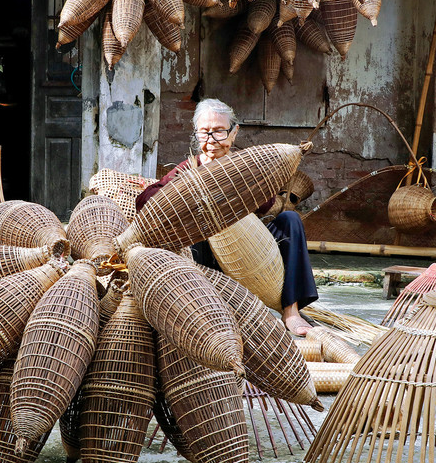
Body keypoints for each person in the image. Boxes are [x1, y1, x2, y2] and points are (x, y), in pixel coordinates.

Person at [135, 98, 317, 336]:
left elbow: (268, 205)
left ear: (234, 133)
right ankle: (203, 309)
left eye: (219, 132)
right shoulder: (190, 167)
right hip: (210, 257)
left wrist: (240, 182)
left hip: (250, 251)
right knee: (195, 232)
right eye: (204, 133)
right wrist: (189, 188)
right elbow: (145, 200)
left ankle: (290, 311)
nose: (211, 141)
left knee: (290, 221)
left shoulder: (245, 164)